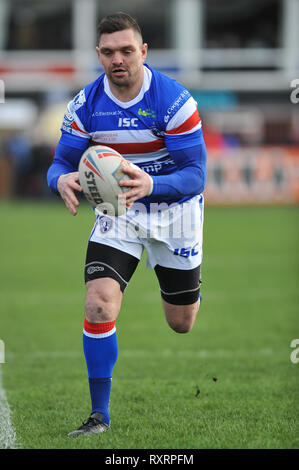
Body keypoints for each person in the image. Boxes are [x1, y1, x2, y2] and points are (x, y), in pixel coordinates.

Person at [47, 11, 207, 437]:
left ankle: (187, 286)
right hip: (118, 214)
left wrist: (152, 182)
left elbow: (196, 175)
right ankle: (99, 415)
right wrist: (59, 178)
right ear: (98, 55)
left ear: (144, 52)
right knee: (98, 303)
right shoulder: (86, 105)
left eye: (127, 50)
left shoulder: (173, 101)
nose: (119, 59)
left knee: (182, 322)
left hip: (175, 214)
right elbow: (61, 162)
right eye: (109, 52)